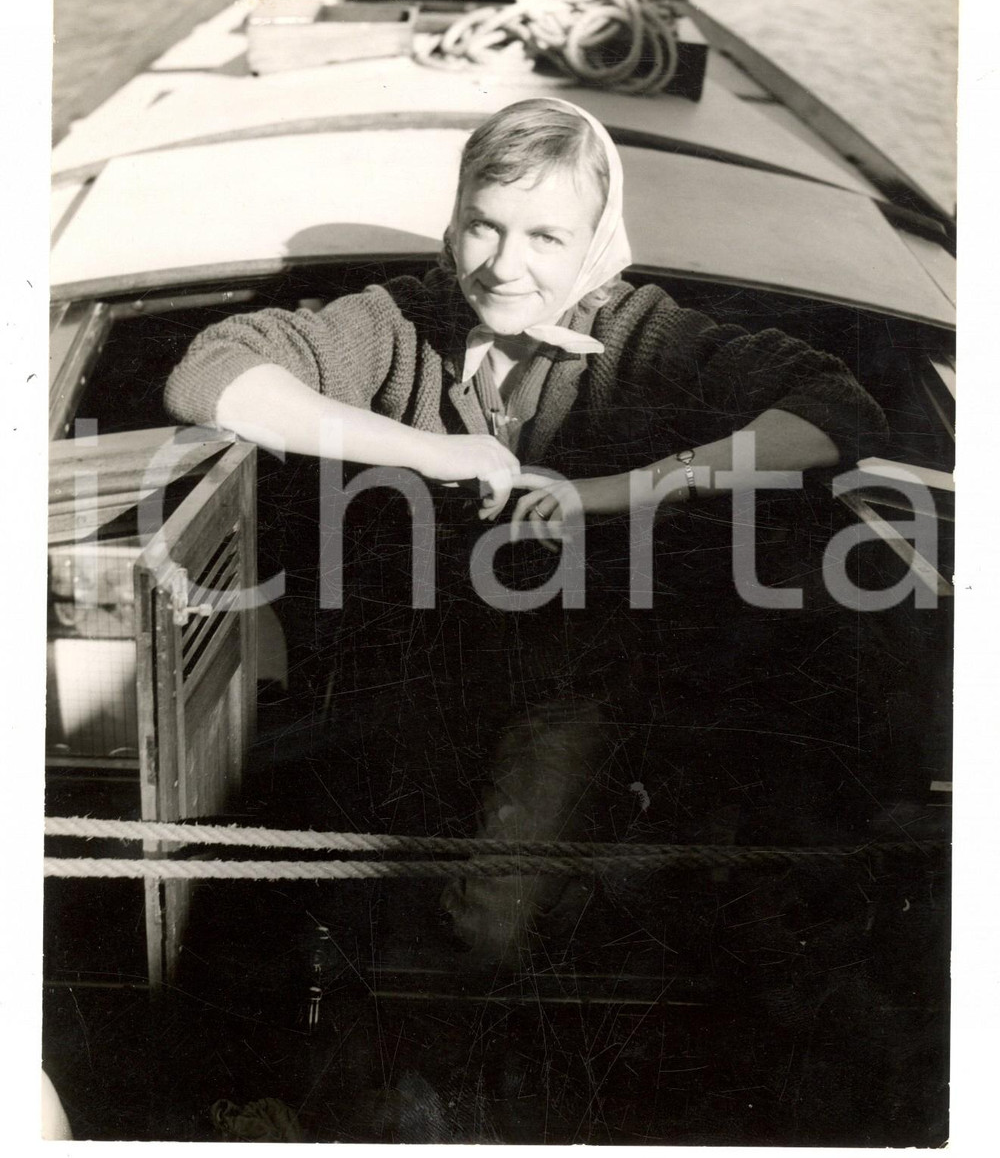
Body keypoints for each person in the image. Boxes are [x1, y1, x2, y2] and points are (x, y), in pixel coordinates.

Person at [164, 97, 888, 961]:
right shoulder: (401, 321)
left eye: (546, 236)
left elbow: (837, 407)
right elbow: (211, 373)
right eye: (484, 226)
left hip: (571, 686)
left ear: (597, 238)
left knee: (491, 927)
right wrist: (428, 449)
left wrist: (622, 490)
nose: (505, 265)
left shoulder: (645, 335)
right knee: (324, 907)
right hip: (407, 673)